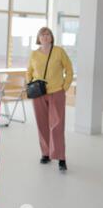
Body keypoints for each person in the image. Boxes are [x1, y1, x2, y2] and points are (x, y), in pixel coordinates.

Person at [27, 27, 73, 171]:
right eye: (42, 35)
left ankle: (60, 157)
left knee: (57, 125)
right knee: (42, 124)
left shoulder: (59, 51)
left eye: (47, 34)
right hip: (38, 93)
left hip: (56, 92)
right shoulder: (34, 54)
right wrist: (31, 83)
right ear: (38, 38)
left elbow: (69, 69)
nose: (45, 37)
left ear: (51, 37)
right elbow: (29, 71)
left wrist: (64, 87)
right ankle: (45, 153)